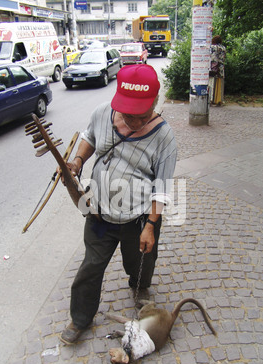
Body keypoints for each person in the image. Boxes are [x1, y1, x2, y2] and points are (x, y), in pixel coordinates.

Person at [60, 64, 177, 345]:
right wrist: (77, 162)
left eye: (141, 116)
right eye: (128, 115)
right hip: (99, 214)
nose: (133, 121)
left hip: (138, 218)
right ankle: (80, 318)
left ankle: (139, 288)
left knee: (141, 261)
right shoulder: (102, 113)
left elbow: (161, 188)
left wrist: (151, 225)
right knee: (91, 266)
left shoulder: (164, 137)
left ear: (154, 103)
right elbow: (89, 137)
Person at [209, 35, 226, 106]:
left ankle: (212, 100)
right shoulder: (223, 48)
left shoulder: (213, 47)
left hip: (214, 68)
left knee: (212, 84)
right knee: (220, 84)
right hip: (221, 68)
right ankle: (219, 100)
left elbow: (213, 58)